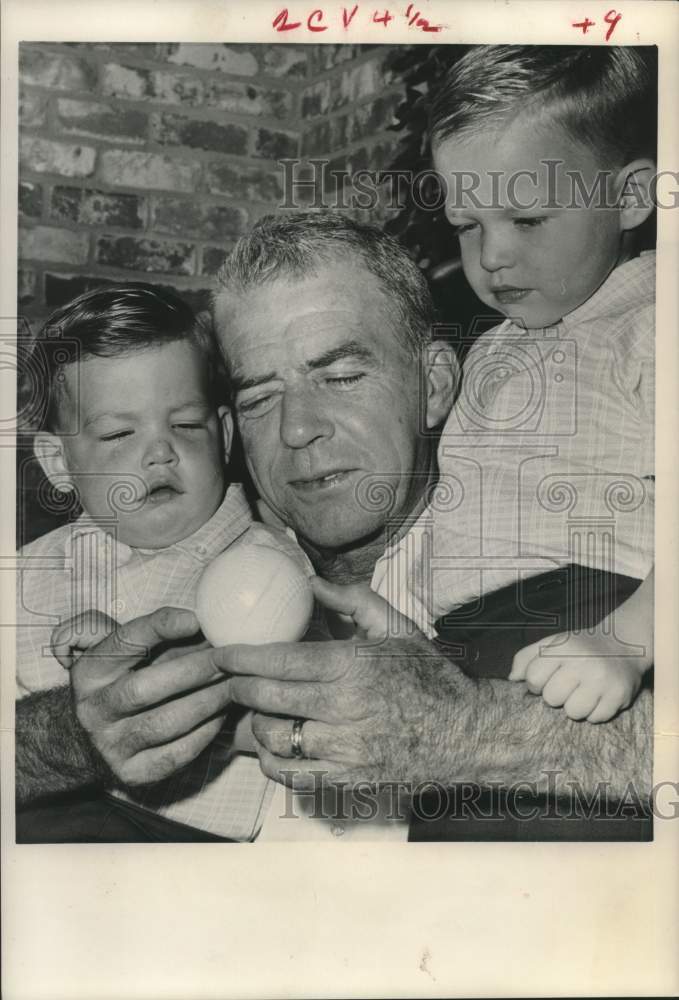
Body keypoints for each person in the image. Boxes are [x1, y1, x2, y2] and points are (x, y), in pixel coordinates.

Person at [16, 216, 652, 843]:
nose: (298, 429)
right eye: (260, 397)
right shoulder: (192, 547)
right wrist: (79, 736)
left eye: (342, 377)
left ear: (432, 385)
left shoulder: (540, 538)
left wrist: (465, 728)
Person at [358, 45, 656, 724]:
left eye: (526, 220)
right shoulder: (489, 352)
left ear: (631, 195)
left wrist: (626, 642)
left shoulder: (652, 321)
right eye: (466, 226)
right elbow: (454, 515)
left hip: (597, 628)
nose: (491, 256)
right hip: (468, 653)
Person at [16, 283, 307, 842]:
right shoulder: (28, 571)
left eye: (186, 425)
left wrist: (154, 672)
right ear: (58, 461)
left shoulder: (267, 566)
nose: (160, 451)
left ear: (223, 435)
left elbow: (294, 710)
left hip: (185, 844)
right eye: (120, 433)